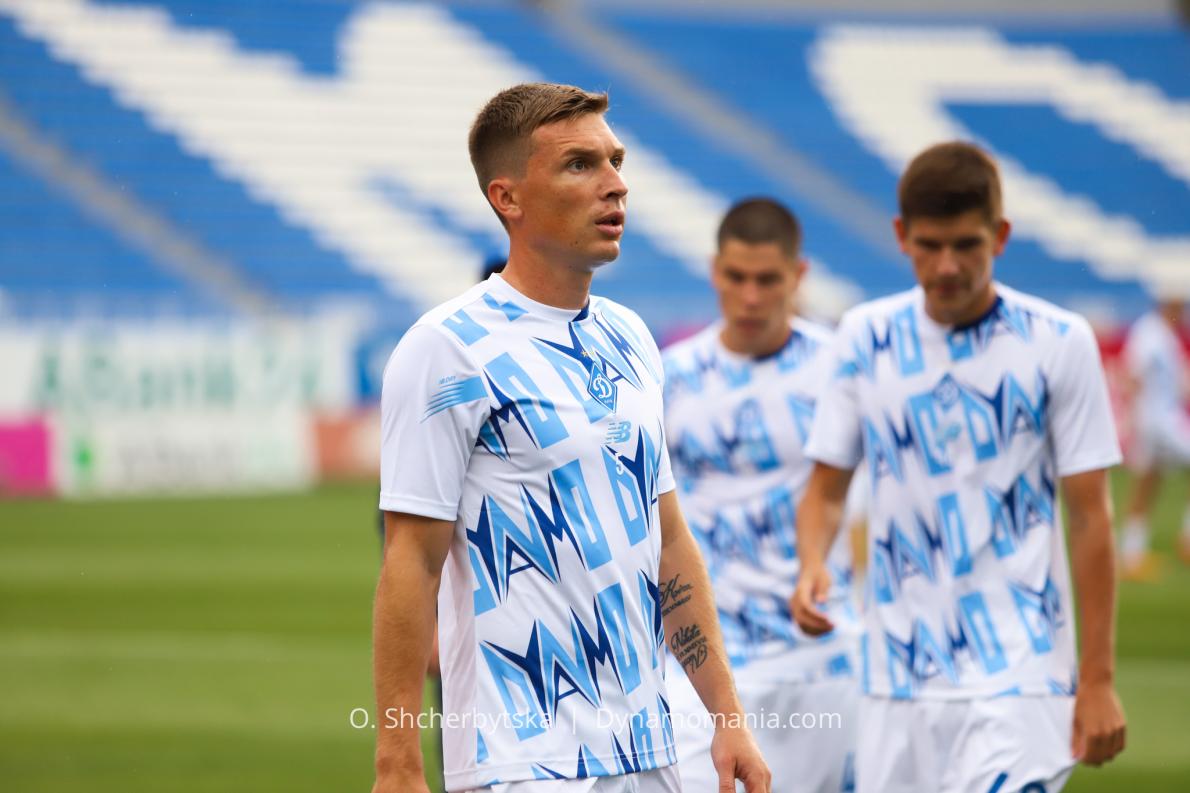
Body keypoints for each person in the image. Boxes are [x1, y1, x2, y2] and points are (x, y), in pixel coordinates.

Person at [374, 83, 770, 793]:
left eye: (616, 161)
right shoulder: (446, 349)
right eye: (580, 165)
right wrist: (397, 762)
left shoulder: (630, 337)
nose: (616, 184)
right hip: (523, 762)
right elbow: (411, 559)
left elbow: (668, 540)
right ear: (508, 198)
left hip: (650, 753)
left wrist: (726, 715)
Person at [792, 142, 1127, 793]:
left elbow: (1090, 516)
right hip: (895, 677)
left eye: (967, 245)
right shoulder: (863, 336)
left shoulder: (1059, 341)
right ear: (901, 236)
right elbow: (827, 490)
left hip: (1021, 671)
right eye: (930, 245)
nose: (948, 265)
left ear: (1000, 235)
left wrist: (1099, 679)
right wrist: (812, 563)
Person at [660, 198, 860, 792]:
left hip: (820, 657)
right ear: (713, 271)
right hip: (702, 662)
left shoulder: (841, 369)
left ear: (798, 276)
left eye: (768, 280)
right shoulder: (668, 376)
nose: (750, 297)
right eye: (736, 277)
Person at [1119, 294, 1190, 578]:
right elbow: (1133, 375)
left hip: (1159, 419)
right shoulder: (1149, 332)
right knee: (1146, 482)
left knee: (1148, 481)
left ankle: (1132, 554)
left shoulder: (1164, 334)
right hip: (1158, 421)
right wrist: (1133, 418)